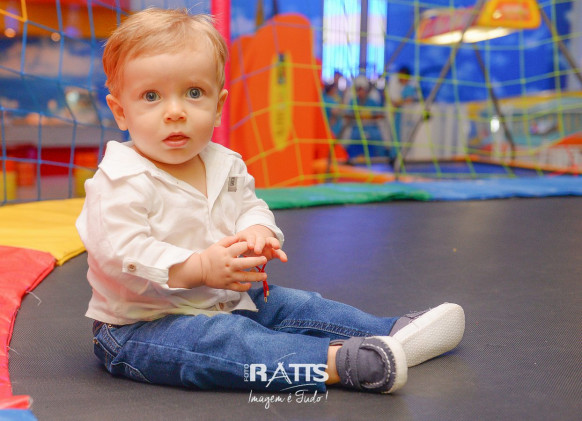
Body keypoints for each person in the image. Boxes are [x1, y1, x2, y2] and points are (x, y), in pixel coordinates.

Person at [76, 8, 465, 395]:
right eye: (151, 96)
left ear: (218, 106)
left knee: (297, 305)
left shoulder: (224, 163)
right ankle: (336, 363)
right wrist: (199, 267)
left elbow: (249, 205)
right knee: (227, 341)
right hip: (142, 326)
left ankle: (393, 331)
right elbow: (122, 253)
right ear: (121, 111)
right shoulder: (120, 179)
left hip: (226, 297)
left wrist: (258, 230)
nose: (175, 112)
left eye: (194, 93)